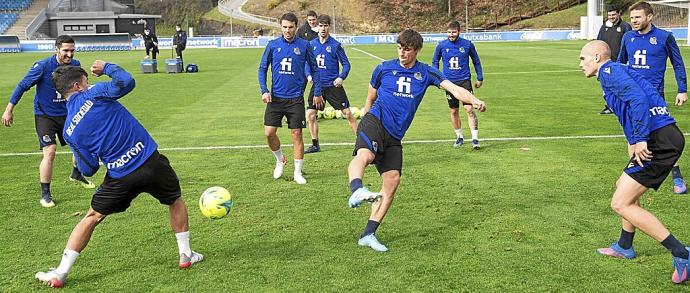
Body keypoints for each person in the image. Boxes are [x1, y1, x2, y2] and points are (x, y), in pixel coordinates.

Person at [35, 61, 203, 288]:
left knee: (92, 217)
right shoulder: (93, 93)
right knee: (174, 200)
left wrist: (81, 156)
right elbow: (126, 82)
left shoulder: (69, 130)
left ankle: (61, 272)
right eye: (86, 80)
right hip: (150, 161)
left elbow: (89, 169)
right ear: (77, 86)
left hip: (120, 176)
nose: (89, 83)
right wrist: (107, 67)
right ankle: (185, 254)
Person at [347, 29, 486, 252]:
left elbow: (453, 88)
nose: (402, 53)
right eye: (400, 48)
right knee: (365, 155)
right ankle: (356, 188)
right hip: (375, 120)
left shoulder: (426, 72)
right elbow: (370, 97)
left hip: (395, 135)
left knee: (392, 182)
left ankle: (368, 234)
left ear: (417, 50)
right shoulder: (383, 68)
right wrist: (363, 122)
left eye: (407, 49)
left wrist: (474, 99)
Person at [580, 40, 690, 284]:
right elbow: (640, 101)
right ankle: (624, 245)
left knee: (620, 203)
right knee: (623, 186)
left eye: (583, 58)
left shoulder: (608, 71)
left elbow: (639, 99)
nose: (580, 64)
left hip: (657, 140)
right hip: (662, 136)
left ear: (597, 57)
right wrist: (634, 142)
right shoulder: (617, 71)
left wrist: (641, 139)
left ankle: (682, 253)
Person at [1, 35, 94, 208]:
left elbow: (81, 89)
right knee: (50, 152)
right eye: (66, 50)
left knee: (79, 145)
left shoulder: (76, 65)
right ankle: (45, 194)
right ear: (56, 49)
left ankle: (76, 173)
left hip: (68, 114)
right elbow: (22, 86)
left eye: (72, 50)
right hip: (45, 116)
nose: (69, 54)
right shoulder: (43, 66)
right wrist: (9, 109)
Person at [618, 1, 688, 194]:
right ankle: (634, 175)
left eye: (638, 17)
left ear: (650, 17)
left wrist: (682, 89)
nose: (634, 21)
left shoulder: (664, 37)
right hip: (633, 97)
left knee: (663, 138)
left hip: (655, 97)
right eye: (632, 18)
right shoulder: (627, 37)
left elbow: (678, 64)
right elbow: (619, 65)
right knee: (633, 136)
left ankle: (677, 178)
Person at [258, 12, 321, 184]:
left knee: (297, 135)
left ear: (296, 27)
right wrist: (264, 90)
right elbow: (262, 68)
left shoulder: (305, 45)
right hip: (276, 98)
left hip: (295, 99)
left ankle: (297, 173)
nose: (287, 30)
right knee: (269, 133)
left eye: (291, 27)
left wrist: (317, 92)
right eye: (284, 27)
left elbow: (315, 69)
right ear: (281, 27)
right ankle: (279, 159)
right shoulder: (272, 45)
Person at [304, 14, 355, 154]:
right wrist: (308, 76)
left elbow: (346, 64)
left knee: (348, 113)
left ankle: (361, 144)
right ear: (317, 27)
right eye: (320, 25)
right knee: (310, 115)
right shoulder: (311, 45)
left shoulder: (335, 45)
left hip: (333, 86)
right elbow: (306, 63)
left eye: (326, 25)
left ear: (329, 27)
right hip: (318, 86)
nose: (323, 28)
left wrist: (341, 77)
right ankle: (315, 144)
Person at [432, 20, 484, 150]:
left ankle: (475, 139)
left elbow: (476, 61)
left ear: (459, 31)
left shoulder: (467, 44)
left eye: (453, 32)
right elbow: (435, 62)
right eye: (449, 32)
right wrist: (438, 79)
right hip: (449, 83)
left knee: (469, 109)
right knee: (454, 110)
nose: (451, 34)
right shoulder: (441, 45)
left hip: (464, 81)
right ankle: (459, 136)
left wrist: (480, 77)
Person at [597, 5, 632, 115]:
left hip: (621, 62)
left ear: (619, 14)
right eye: (609, 15)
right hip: (606, 62)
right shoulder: (604, 27)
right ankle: (609, 106)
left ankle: (622, 106)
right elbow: (599, 42)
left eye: (613, 14)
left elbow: (629, 43)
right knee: (606, 85)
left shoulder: (625, 27)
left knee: (620, 85)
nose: (611, 17)